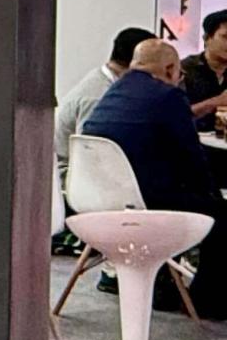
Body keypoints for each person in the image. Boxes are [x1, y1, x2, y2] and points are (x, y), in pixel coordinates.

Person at [81, 39, 225, 317]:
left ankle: (163, 284)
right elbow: (193, 158)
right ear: (170, 69)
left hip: (97, 199)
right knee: (220, 215)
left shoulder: (114, 91)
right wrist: (213, 196)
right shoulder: (168, 97)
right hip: (146, 202)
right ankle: (208, 303)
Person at [56, 26, 153, 190]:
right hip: (71, 180)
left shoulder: (103, 81)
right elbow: (90, 153)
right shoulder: (98, 98)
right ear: (138, 63)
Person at [182, 9, 227, 130]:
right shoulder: (184, 70)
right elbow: (175, 115)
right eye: (225, 37)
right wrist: (217, 102)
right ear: (207, 38)